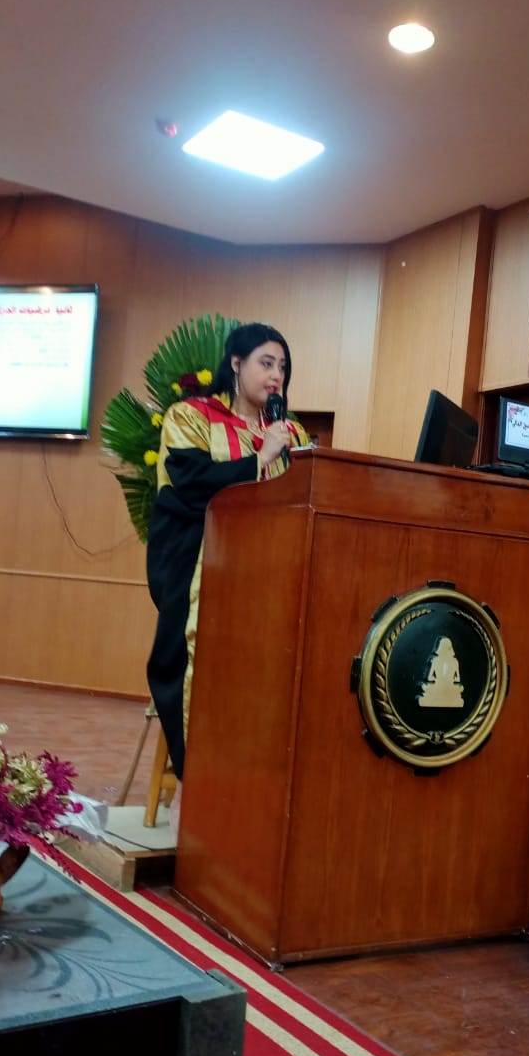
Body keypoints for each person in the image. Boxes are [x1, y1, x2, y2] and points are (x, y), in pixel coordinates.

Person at [145, 323, 311, 837]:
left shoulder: (292, 434)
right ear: (236, 364)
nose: (276, 375)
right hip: (203, 570)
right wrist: (258, 460)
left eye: (283, 367)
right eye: (266, 363)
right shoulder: (192, 417)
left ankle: (256, 792)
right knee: (195, 666)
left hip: (271, 578)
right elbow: (186, 485)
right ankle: (193, 787)